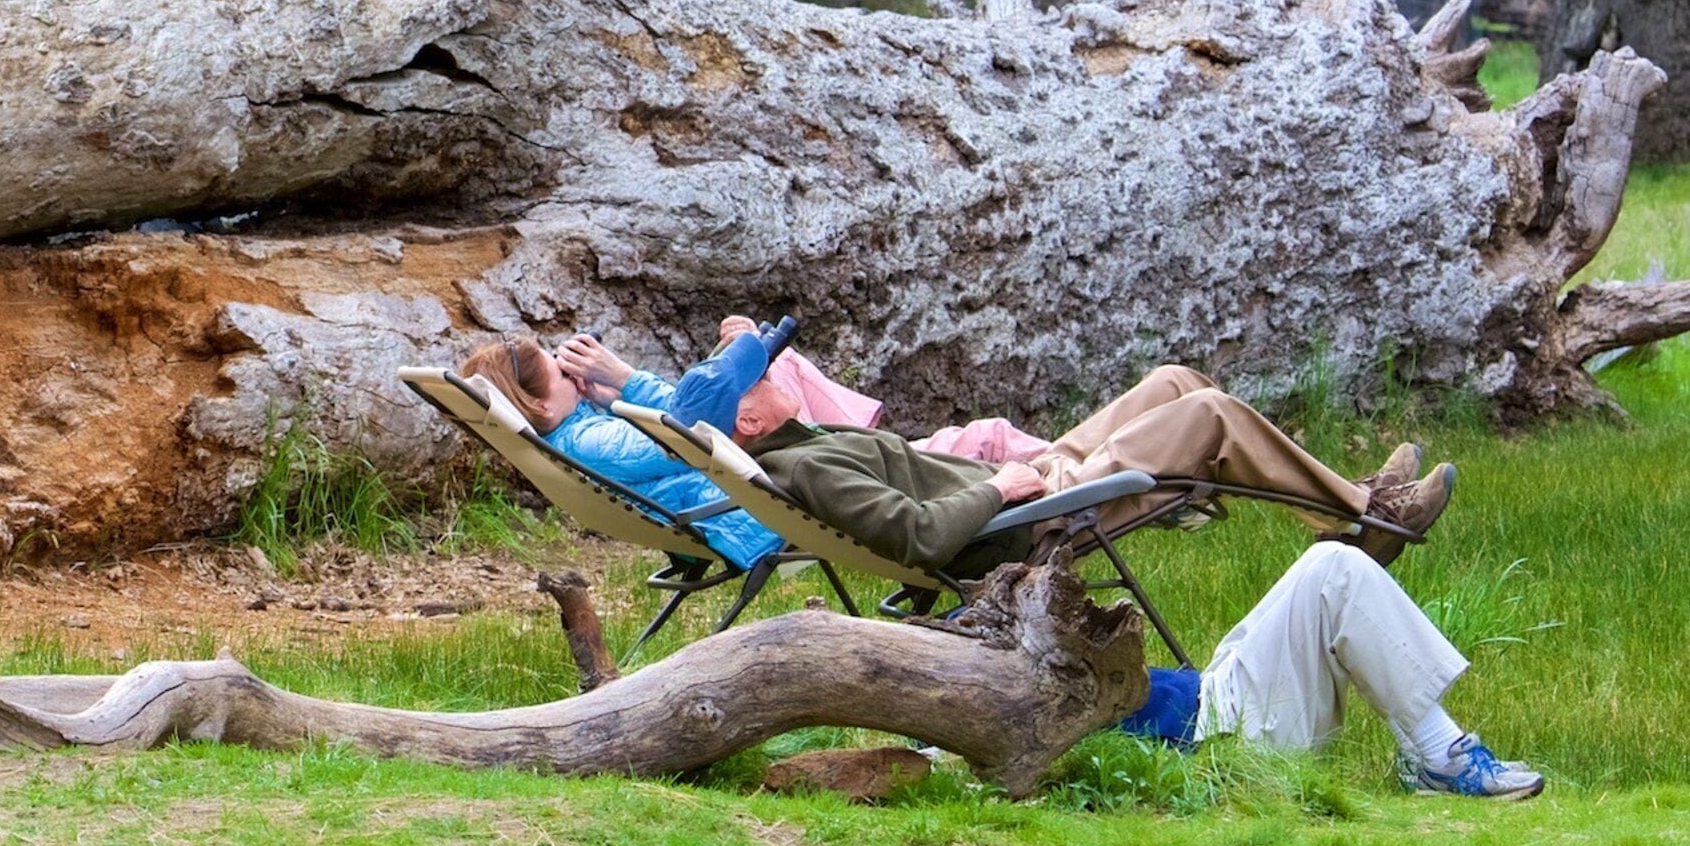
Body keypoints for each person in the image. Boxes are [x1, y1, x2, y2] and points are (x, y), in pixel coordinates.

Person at [731, 361, 1454, 574]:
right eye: (761, 374)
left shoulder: (796, 442)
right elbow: (918, 538)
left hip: (1035, 485)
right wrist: (995, 487)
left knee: (1175, 382)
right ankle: (1372, 517)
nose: (775, 369)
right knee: (1211, 416)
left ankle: (1342, 504)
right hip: (1028, 523)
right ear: (750, 420)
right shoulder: (810, 469)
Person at [1132, 540, 1546, 798]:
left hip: (1203, 700)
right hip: (1214, 732)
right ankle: (1440, 756)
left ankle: (1428, 754)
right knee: (1335, 568)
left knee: (1325, 565)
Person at [454, 326, 786, 573]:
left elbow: (660, 441)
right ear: (542, 407)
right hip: (751, 520)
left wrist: (611, 401)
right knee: (724, 382)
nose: (574, 374)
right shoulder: (589, 444)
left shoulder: (575, 441)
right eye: (563, 373)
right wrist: (625, 377)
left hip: (717, 514)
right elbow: (684, 434)